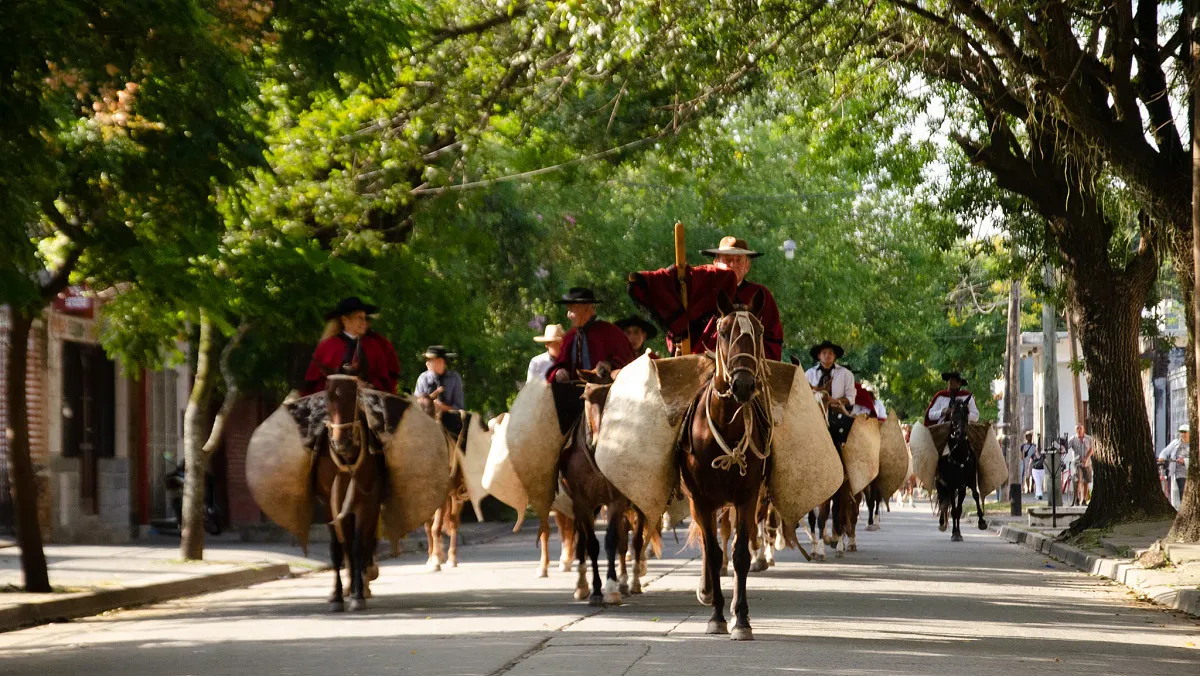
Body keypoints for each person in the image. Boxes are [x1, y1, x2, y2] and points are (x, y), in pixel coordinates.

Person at [628, 236, 783, 359]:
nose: (732, 264)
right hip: (700, 361)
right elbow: (677, 317)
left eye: (738, 260)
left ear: (747, 266)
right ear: (716, 263)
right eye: (727, 259)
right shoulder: (700, 285)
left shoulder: (759, 294)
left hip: (747, 366)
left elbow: (772, 338)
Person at [303, 297, 398, 395]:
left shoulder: (373, 347)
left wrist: (369, 385)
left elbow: (384, 381)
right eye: (359, 318)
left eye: (365, 318)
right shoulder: (327, 346)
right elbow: (312, 384)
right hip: (331, 400)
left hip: (366, 399)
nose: (364, 322)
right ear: (345, 320)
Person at [546, 288, 636, 382]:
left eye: (571, 310)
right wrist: (559, 371)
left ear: (586, 308)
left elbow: (630, 364)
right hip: (572, 390)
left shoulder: (611, 332)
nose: (568, 315)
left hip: (606, 390)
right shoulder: (570, 337)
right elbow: (559, 365)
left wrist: (610, 365)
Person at [805, 340, 856, 448]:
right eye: (824, 353)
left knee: (846, 434)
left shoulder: (846, 374)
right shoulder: (809, 374)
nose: (827, 355)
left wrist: (834, 401)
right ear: (819, 355)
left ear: (835, 356)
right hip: (812, 413)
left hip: (837, 413)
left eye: (831, 353)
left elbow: (851, 398)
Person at [1159, 424, 1190, 508]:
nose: (1183, 434)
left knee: (1183, 494)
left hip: (1187, 474)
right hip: (1175, 473)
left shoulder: (1195, 445)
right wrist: (1162, 457)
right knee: (1175, 494)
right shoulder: (1175, 443)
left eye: (1185, 432)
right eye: (1181, 432)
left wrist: (1185, 461)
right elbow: (1165, 451)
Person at [1067, 424, 1093, 505]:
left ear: (1083, 429)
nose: (1079, 430)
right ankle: (1077, 498)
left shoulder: (1088, 438)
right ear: (1075, 430)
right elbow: (1066, 447)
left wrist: (1086, 458)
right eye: (1077, 428)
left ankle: (1084, 499)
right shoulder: (1073, 439)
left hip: (1087, 463)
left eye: (1080, 428)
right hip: (1077, 463)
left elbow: (1092, 449)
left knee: (1086, 481)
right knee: (1078, 480)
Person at [1020, 431, 1037, 495]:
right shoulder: (1023, 446)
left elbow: (1036, 453)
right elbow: (1022, 455)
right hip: (1026, 462)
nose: (1030, 438)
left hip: (1033, 462)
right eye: (1029, 437)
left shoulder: (1034, 446)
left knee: (1033, 475)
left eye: (1031, 436)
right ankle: (1028, 488)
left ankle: (1032, 486)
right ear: (1026, 438)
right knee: (1027, 475)